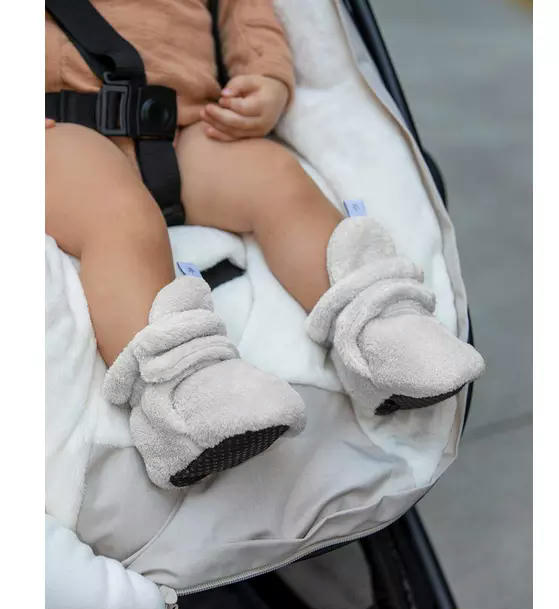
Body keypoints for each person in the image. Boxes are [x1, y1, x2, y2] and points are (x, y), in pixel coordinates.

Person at [45, 0, 484, 490]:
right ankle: (183, 399)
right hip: (58, 130)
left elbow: (247, 16)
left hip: (186, 127)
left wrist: (266, 80)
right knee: (120, 217)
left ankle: (379, 334)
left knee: (278, 181)